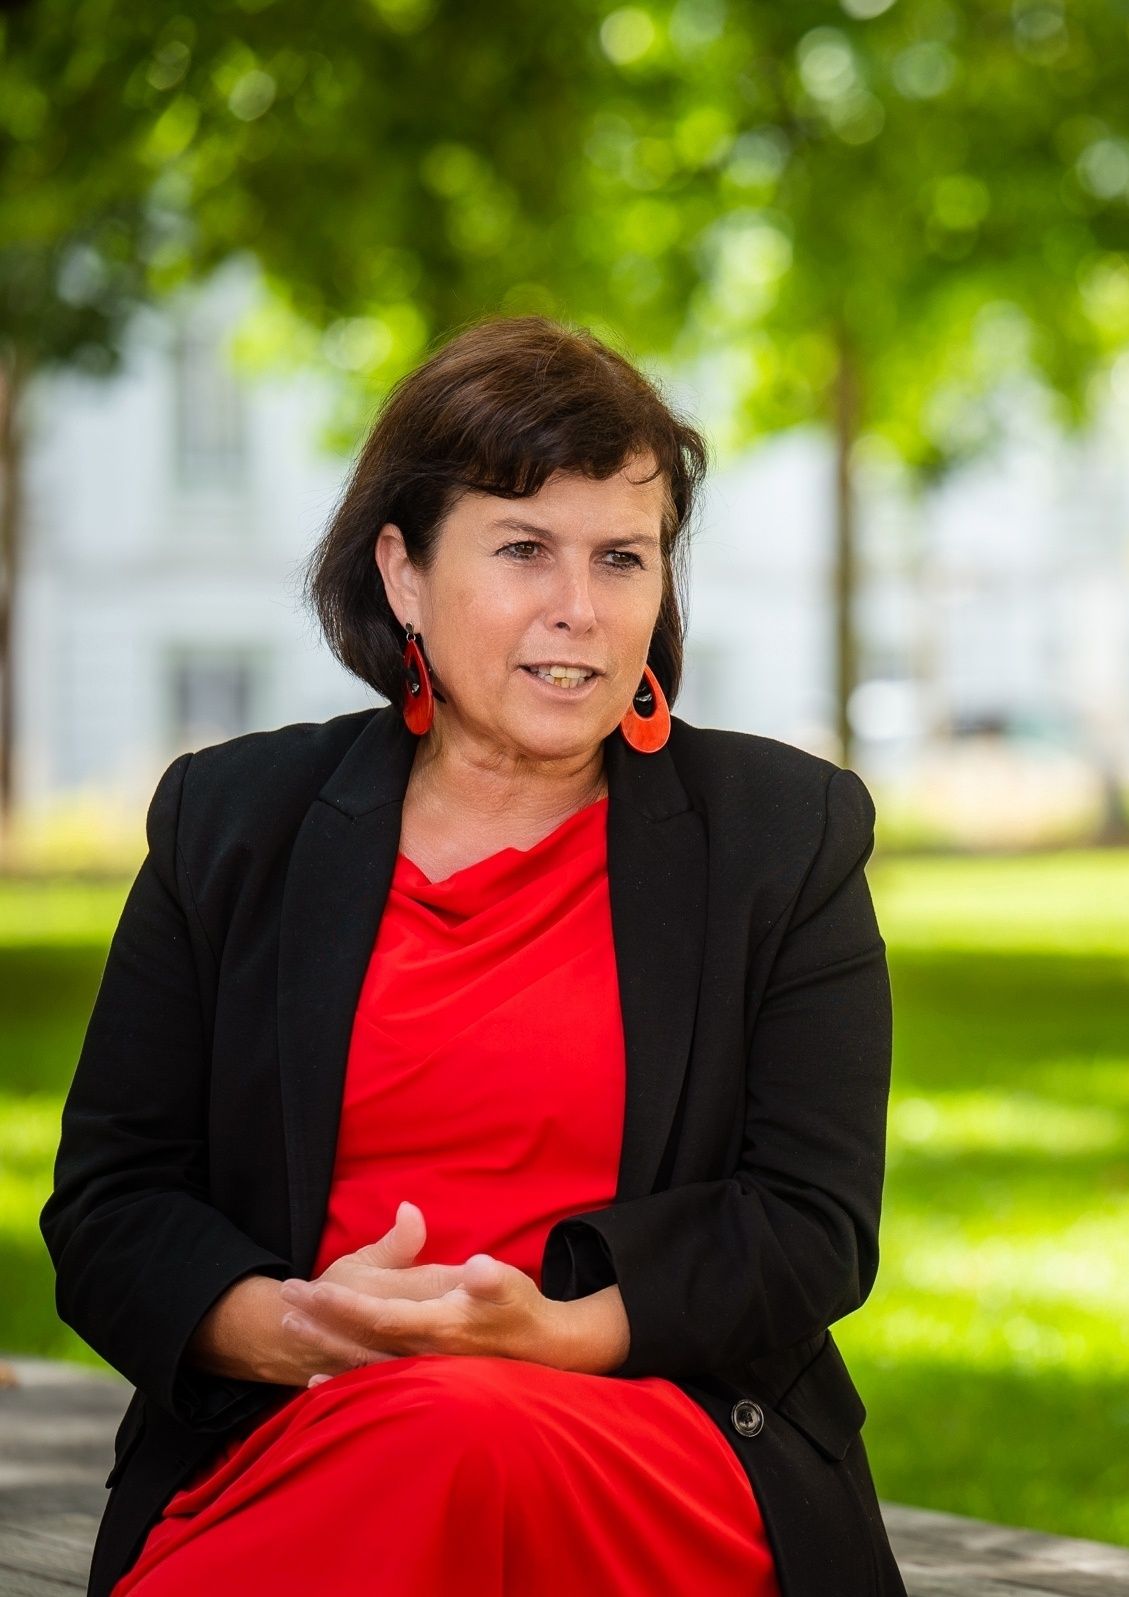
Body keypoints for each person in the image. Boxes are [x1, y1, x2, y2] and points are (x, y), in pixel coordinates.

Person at [41, 317, 903, 1597]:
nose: (581, 607)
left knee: (455, 1429)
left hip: (649, 1442)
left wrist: (555, 1332)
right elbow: (112, 1212)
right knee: (423, 1438)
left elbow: (808, 1228)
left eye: (623, 556)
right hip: (292, 1435)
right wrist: (297, 1330)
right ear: (402, 574)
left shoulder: (781, 835)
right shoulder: (231, 823)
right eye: (522, 549)